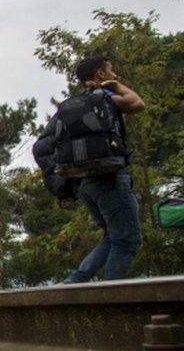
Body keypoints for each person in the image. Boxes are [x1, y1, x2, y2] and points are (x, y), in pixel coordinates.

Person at [61, 56, 145, 283]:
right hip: (108, 176)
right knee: (127, 240)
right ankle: (111, 299)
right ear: (100, 74)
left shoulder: (73, 105)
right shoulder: (106, 97)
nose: (115, 75)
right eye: (111, 71)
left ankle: (72, 285)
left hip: (83, 182)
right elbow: (137, 104)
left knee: (113, 237)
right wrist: (115, 86)